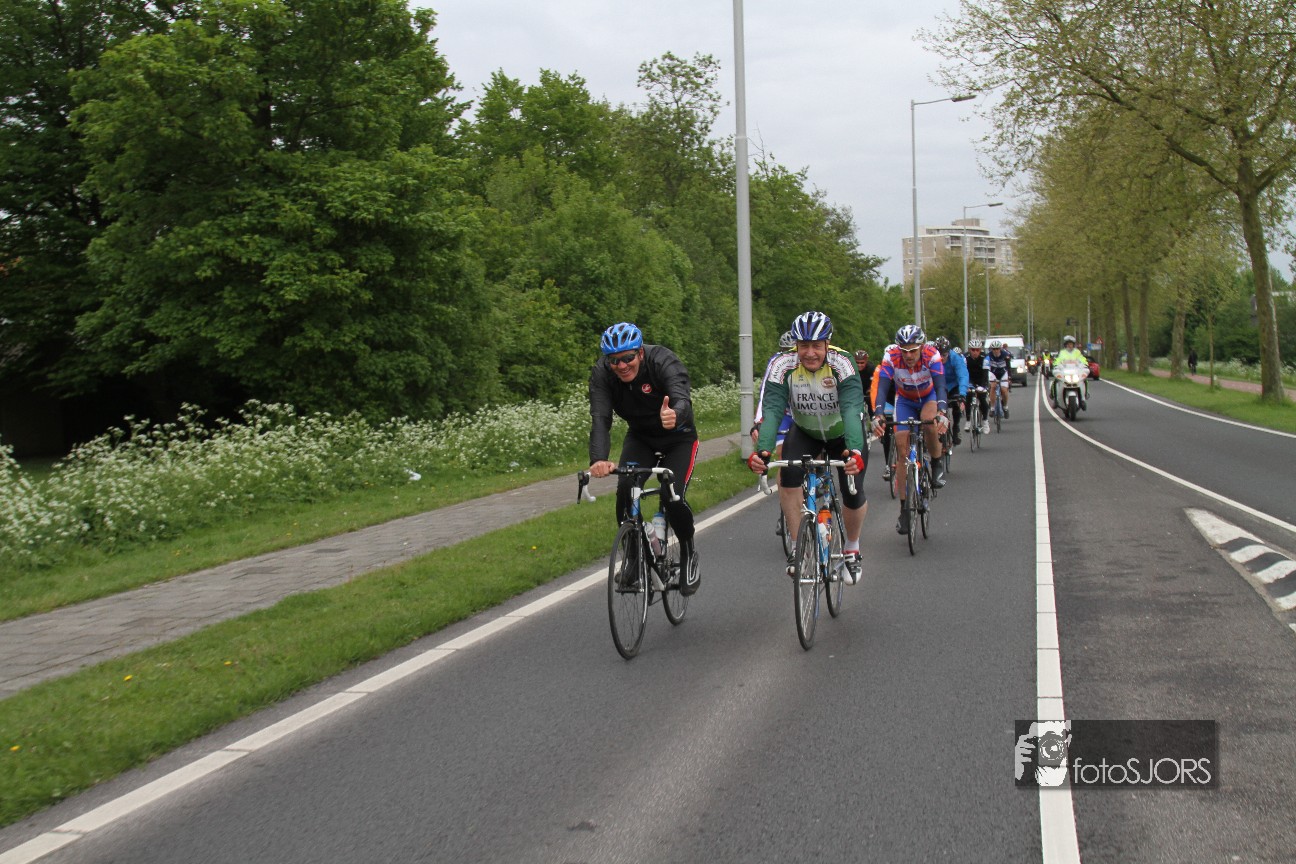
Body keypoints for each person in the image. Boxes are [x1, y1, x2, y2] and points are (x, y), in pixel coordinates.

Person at [747, 311, 868, 584]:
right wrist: (763, 450)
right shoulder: (783, 364)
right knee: (788, 478)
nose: (810, 353)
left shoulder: (842, 363)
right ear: (796, 345)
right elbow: (773, 409)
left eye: (816, 345)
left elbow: (852, 409)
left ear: (827, 344)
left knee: (852, 491)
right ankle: (797, 547)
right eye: (804, 346)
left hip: (842, 432)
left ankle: (851, 549)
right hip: (806, 430)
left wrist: (855, 450)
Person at [589, 322, 701, 595]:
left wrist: (675, 414)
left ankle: (688, 552)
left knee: (672, 494)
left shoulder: (662, 360)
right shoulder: (602, 373)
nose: (621, 366)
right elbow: (600, 418)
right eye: (614, 361)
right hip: (641, 438)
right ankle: (632, 558)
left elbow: (682, 398)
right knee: (626, 488)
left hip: (679, 437)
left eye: (628, 357)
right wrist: (599, 459)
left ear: (640, 353)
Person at [871, 324, 949, 536]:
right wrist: (878, 414)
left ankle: (936, 462)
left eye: (913, 350)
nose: (909, 356)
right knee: (902, 449)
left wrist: (942, 411)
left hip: (928, 397)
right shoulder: (891, 357)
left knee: (929, 422)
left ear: (922, 347)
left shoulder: (932, 355)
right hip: (905, 400)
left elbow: (941, 386)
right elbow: (882, 387)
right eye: (904, 351)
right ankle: (905, 509)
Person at [750, 331, 797, 459]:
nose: (789, 355)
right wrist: (759, 421)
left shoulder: (810, 360)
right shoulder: (777, 362)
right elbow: (765, 392)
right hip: (785, 413)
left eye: (793, 350)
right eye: (785, 350)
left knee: (814, 455)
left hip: (808, 413)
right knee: (782, 454)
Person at [934, 336, 968, 447]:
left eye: (944, 355)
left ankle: (956, 427)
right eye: (939, 355)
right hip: (938, 385)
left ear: (949, 352)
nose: (941, 358)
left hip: (953, 385)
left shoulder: (955, 358)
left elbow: (963, 376)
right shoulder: (931, 359)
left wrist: (962, 394)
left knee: (956, 403)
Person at [962, 339, 991, 435]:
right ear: (969, 350)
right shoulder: (965, 357)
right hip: (970, 379)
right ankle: (968, 420)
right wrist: (966, 385)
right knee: (968, 398)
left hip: (981, 379)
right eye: (973, 350)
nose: (975, 352)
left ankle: (985, 421)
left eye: (977, 350)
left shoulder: (985, 357)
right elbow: (963, 373)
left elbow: (985, 374)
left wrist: (984, 386)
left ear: (980, 350)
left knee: (982, 399)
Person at [1050, 335, 1086, 407]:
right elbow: (1057, 361)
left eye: (1071, 344)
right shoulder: (1062, 353)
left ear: (1073, 345)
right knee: (1055, 381)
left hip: (1075, 372)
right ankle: (1056, 399)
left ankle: (1083, 399)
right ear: (1065, 345)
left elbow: (1082, 361)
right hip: (1064, 372)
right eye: (1068, 344)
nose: (1070, 345)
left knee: (1084, 381)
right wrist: (1056, 367)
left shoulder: (1077, 352)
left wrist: (1084, 366)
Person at [985, 338, 1014, 419]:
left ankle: (1005, 407)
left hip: (1003, 373)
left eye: (997, 349)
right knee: (993, 387)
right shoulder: (988, 356)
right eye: (994, 349)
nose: (996, 351)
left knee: (1004, 390)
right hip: (993, 373)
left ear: (1000, 349)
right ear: (992, 349)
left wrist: (1009, 377)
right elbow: (985, 367)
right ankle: (992, 408)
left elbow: (1008, 367)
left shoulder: (1005, 355)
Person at [854, 349, 878, 418]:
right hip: (855, 390)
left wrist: (870, 390)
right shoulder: (850, 368)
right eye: (857, 362)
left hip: (868, 389)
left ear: (866, 361)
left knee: (870, 399)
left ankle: (873, 417)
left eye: (862, 363)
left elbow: (875, 383)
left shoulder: (871, 368)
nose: (859, 365)